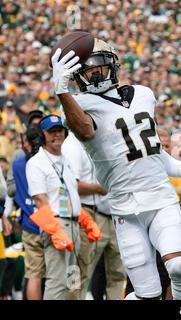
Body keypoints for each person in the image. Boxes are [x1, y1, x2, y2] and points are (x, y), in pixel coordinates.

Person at [50, 38, 181, 300]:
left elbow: (151, 152)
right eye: (87, 70)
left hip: (161, 198)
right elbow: (85, 131)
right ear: (76, 77)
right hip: (125, 208)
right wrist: (62, 91)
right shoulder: (76, 106)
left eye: (99, 67)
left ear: (113, 66)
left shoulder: (143, 94)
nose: (94, 74)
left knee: (178, 266)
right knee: (146, 293)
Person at [26, 114, 101, 300]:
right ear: (42, 135)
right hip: (57, 225)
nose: (56, 135)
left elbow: (70, 195)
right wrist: (55, 231)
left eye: (59, 130)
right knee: (57, 281)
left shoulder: (65, 160)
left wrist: (85, 219)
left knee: (72, 282)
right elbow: (40, 201)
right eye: (51, 131)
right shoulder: (36, 162)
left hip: (74, 224)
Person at [62, 132, 126, 300]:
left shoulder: (105, 138)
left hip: (115, 214)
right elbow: (70, 184)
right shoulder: (72, 144)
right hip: (87, 213)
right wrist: (99, 188)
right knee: (79, 271)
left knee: (118, 273)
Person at [7, 126, 45, 300]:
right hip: (50, 223)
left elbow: (12, 191)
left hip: (29, 222)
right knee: (55, 276)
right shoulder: (46, 162)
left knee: (33, 275)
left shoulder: (17, 164)